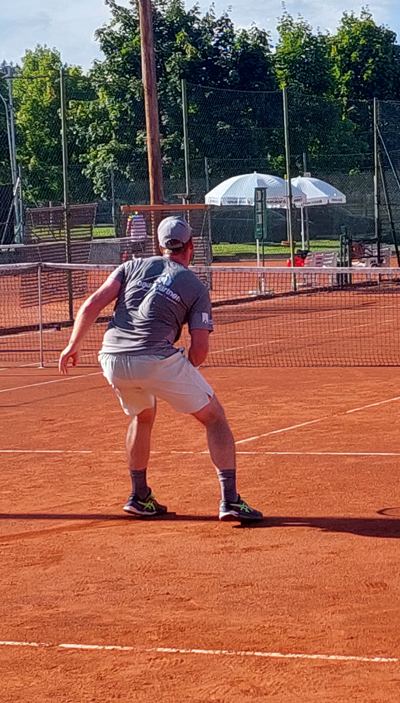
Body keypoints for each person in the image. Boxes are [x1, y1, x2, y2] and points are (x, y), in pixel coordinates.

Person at [58, 216, 262, 523]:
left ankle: (139, 496)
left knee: (143, 415)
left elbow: (92, 304)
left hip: (112, 357)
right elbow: (200, 350)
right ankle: (230, 500)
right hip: (156, 359)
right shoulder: (195, 286)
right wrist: (183, 370)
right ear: (191, 246)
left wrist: (72, 345)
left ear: (160, 244)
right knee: (214, 417)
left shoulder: (130, 267)